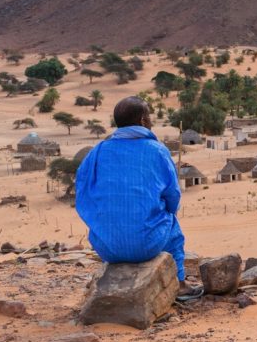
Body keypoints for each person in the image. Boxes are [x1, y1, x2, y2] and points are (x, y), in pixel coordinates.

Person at [75, 96, 192, 292]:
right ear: (143, 121)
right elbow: (173, 195)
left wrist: (100, 220)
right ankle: (179, 283)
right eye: (149, 117)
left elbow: (82, 194)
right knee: (172, 227)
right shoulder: (158, 151)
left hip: (106, 248)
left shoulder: (97, 151)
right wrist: (168, 212)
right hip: (148, 245)